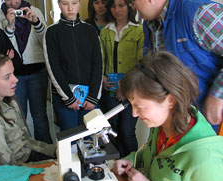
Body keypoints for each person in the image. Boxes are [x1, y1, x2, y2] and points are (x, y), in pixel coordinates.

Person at [113, 51, 223, 181]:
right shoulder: (162, 124)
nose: (134, 114)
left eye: (139, 107)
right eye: (132, 106)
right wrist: (130, 160)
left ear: (170, 100)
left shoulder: (205, 160)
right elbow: (152, 157)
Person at [132, 0, 223, 129]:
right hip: (182, 116)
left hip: (212, 117)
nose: (134, 7)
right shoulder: (150, 24)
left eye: (133, 1)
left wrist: (218, 96)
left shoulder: (201, 13)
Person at [0, 53, 56, 166]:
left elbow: (25, 141)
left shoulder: (6, 102)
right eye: (7, 77)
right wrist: (49, 165)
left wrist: (54, 150)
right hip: (18, 167)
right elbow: (9, 167)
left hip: (27, 154)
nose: (16, 80)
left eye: (13, 74)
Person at [0, 0, 52, 144]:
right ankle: (24, 151)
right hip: (13, 75)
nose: (13, 2)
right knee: (18, 116)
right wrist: (10, 25)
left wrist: (36, 22)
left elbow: (46, 40)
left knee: (40, 116)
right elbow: (2, 44)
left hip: (37, 71)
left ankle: (47, 151)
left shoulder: (35, 11)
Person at [43, 0, 103, 131]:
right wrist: (68, 98)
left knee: (90, 138)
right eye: (65, 4)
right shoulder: (52, 32)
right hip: (64, 98)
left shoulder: (90, 30)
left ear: (79, 3)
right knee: (70, 140)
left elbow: (98, 64)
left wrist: (93, 96)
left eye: (74, 3)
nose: (70, 8)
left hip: (89, 96)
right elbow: (53, 67)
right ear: (58, 4)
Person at [99, 0, 144, 157]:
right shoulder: (105, 31)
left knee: (127, 132)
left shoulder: (139, 30)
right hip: (109, 88)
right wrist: (102, 78)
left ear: (130, 6)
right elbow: (101, 59)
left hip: (131, 89)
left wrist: (125, 86)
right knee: (112, 130)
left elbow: (141, 63)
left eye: (121, 5)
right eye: (113, 6)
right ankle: (117, 165)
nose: (117, 10)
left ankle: (134, 165)